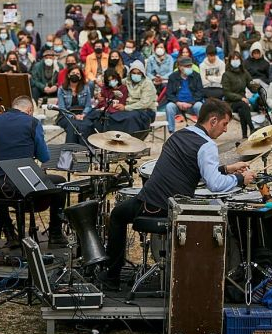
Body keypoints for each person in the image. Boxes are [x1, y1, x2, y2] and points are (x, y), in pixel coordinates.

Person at [101, 99, 255, 289]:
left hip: (151, 199)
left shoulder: (180, 135)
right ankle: (112, 277)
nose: (225, 130)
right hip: (163, 207)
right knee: (118, 215)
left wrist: (227, 168)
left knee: (117, 215)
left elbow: (190, 170)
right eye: (224, 124)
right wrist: (241, 179)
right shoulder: (207, 146)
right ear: (213, 121)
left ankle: (111, 276)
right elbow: (214, 185)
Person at [0, 96, 67, 247]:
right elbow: (44, 157)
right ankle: (55, 234)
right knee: (60, 183)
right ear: (29, 111)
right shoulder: (32, 123)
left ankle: (10, 234)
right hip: (24, 186)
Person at [165, 57, 205, 133]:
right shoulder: (172, 77)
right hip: (177, 104)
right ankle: (171, 131)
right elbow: (169, 94)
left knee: (199, 105)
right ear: (180, 67)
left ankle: (202, 130)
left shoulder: (196, 76)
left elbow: (200, 92)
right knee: (169, 107)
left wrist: (191, 103)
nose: (189, 68)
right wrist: (177, 102)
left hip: (193, 103)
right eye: (186, 66)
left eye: (190, 66)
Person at [56, 66, 94, 144]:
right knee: (73, 124)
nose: (75, 75)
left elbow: (88, 106)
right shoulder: (61, 89)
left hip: (82, 113)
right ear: (68, 75)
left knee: (87, 124)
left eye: (77, 74)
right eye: (73, 73)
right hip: (66, 115)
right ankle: (70, 150)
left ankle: (86, 150)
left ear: (80, 77)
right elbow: (62, 108)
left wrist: (83, 114)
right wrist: (73, 116)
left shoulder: (86, 88)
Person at [222, 51, 256, 138]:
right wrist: (240, 98)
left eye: (237, 59)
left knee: (242, 109)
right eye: (233, 59)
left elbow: (251, 85)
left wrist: (257, 87)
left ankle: (244, 135)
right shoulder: (226, 75)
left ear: (240, 60)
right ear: (229, 61)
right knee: (243, 105)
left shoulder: (244, 73)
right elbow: (226, 93)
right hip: (230, 102)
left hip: (242, 102)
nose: (235, 61)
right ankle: (252, 128)